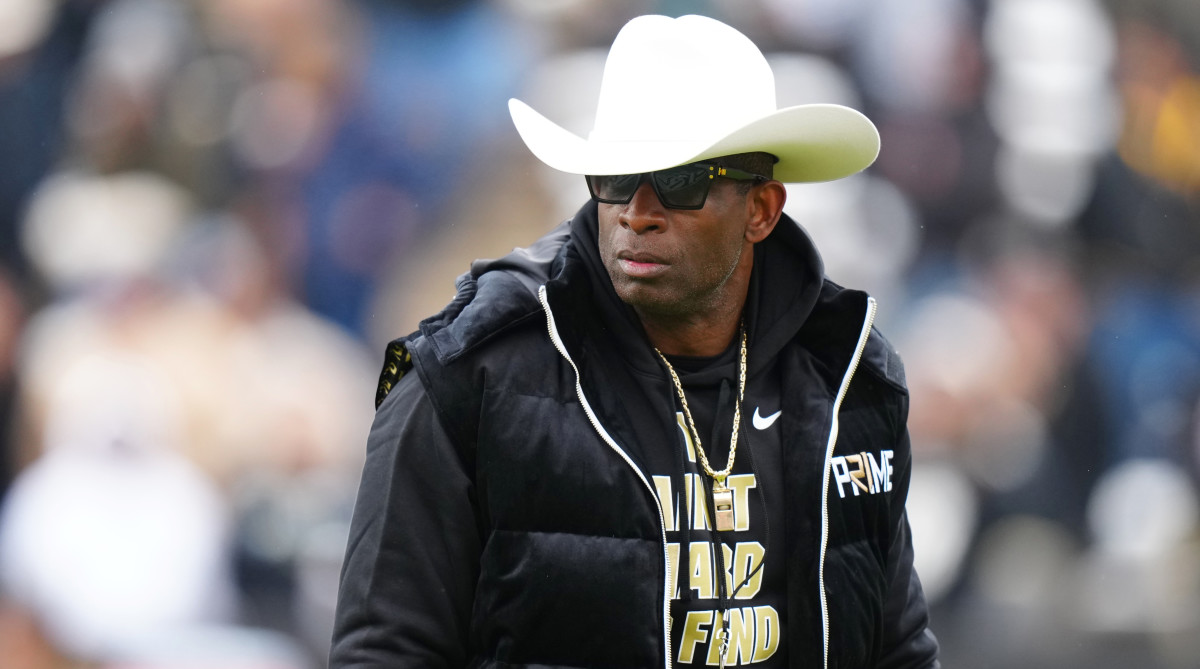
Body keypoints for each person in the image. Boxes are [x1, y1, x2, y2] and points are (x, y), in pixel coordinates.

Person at [330, 14, 939, 669]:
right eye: (615, 178)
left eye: (679, 182)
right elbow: (385, 652)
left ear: (760, 209)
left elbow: (897, 646)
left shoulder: (847, 377)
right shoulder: (466, 378)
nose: (636, 212)